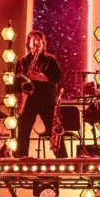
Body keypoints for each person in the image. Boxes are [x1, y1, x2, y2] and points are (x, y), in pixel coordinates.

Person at [14, 30, 63, 158]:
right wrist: (19, 99)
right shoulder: (22, 61)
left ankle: (64, 160)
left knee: (54, 131)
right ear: (28, 44)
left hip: (46, 100)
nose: (36, 43)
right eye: (33, 40)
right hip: (28, 101)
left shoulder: (50, 60)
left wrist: (44, 78)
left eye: (39, 40)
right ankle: (21, 159)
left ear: (43, 43)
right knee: (23, 132)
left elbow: (58, 77)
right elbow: (16, 81)